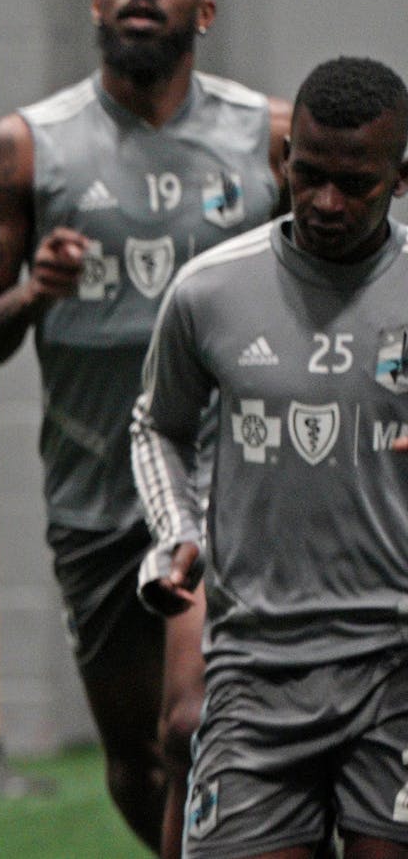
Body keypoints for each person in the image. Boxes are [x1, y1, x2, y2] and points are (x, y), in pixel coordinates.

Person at [0, 0, 290, 857]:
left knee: (198, 729)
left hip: (235, 479)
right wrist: (31, 295)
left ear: (203, 10)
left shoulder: (271, 139)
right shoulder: (28, 146)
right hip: (94, 489)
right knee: (140, 758)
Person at [131, 55, 408, 858]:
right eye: (308, 174)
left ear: (399, 177)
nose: (325, 201)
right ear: (285, 162)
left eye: (353, 183)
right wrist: (175, 528)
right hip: (256, 665)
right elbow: (157, 424)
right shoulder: (210, 290)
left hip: (395, 662)